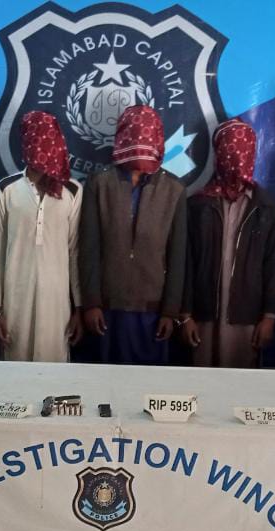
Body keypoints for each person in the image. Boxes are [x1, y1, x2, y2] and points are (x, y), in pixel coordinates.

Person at [79, 105, 187, 365]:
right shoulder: (99, 183)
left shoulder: (173, 189)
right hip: (107, 308)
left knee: (148, 383)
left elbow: (177, 255)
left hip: (153, 311)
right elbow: (89, 247)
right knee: (106, 381)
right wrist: (91, 303)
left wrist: (170, 311)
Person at [178, 119, 275, 368]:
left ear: (252, 153)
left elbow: (274, 265)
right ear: (218, 153)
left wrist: (269, 317)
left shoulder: (267, 208)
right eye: (230, 150)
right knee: (200, 383)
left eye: (243, 150)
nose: (236, 158)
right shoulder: (197, 205)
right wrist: (185, 315)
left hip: (246, 317)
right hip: (202, 315)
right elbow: (186, 263)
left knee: (240, 383)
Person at [0, 111, 83, 362]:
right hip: (15, 300)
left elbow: (74, 252)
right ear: (25, 143)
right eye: (35, 137)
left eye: (47, 138)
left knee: (54, 369)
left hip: (57, 304)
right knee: (15, 369)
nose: (41, 144)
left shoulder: (72, 190)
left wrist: (79, 308)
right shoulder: (6, 189)